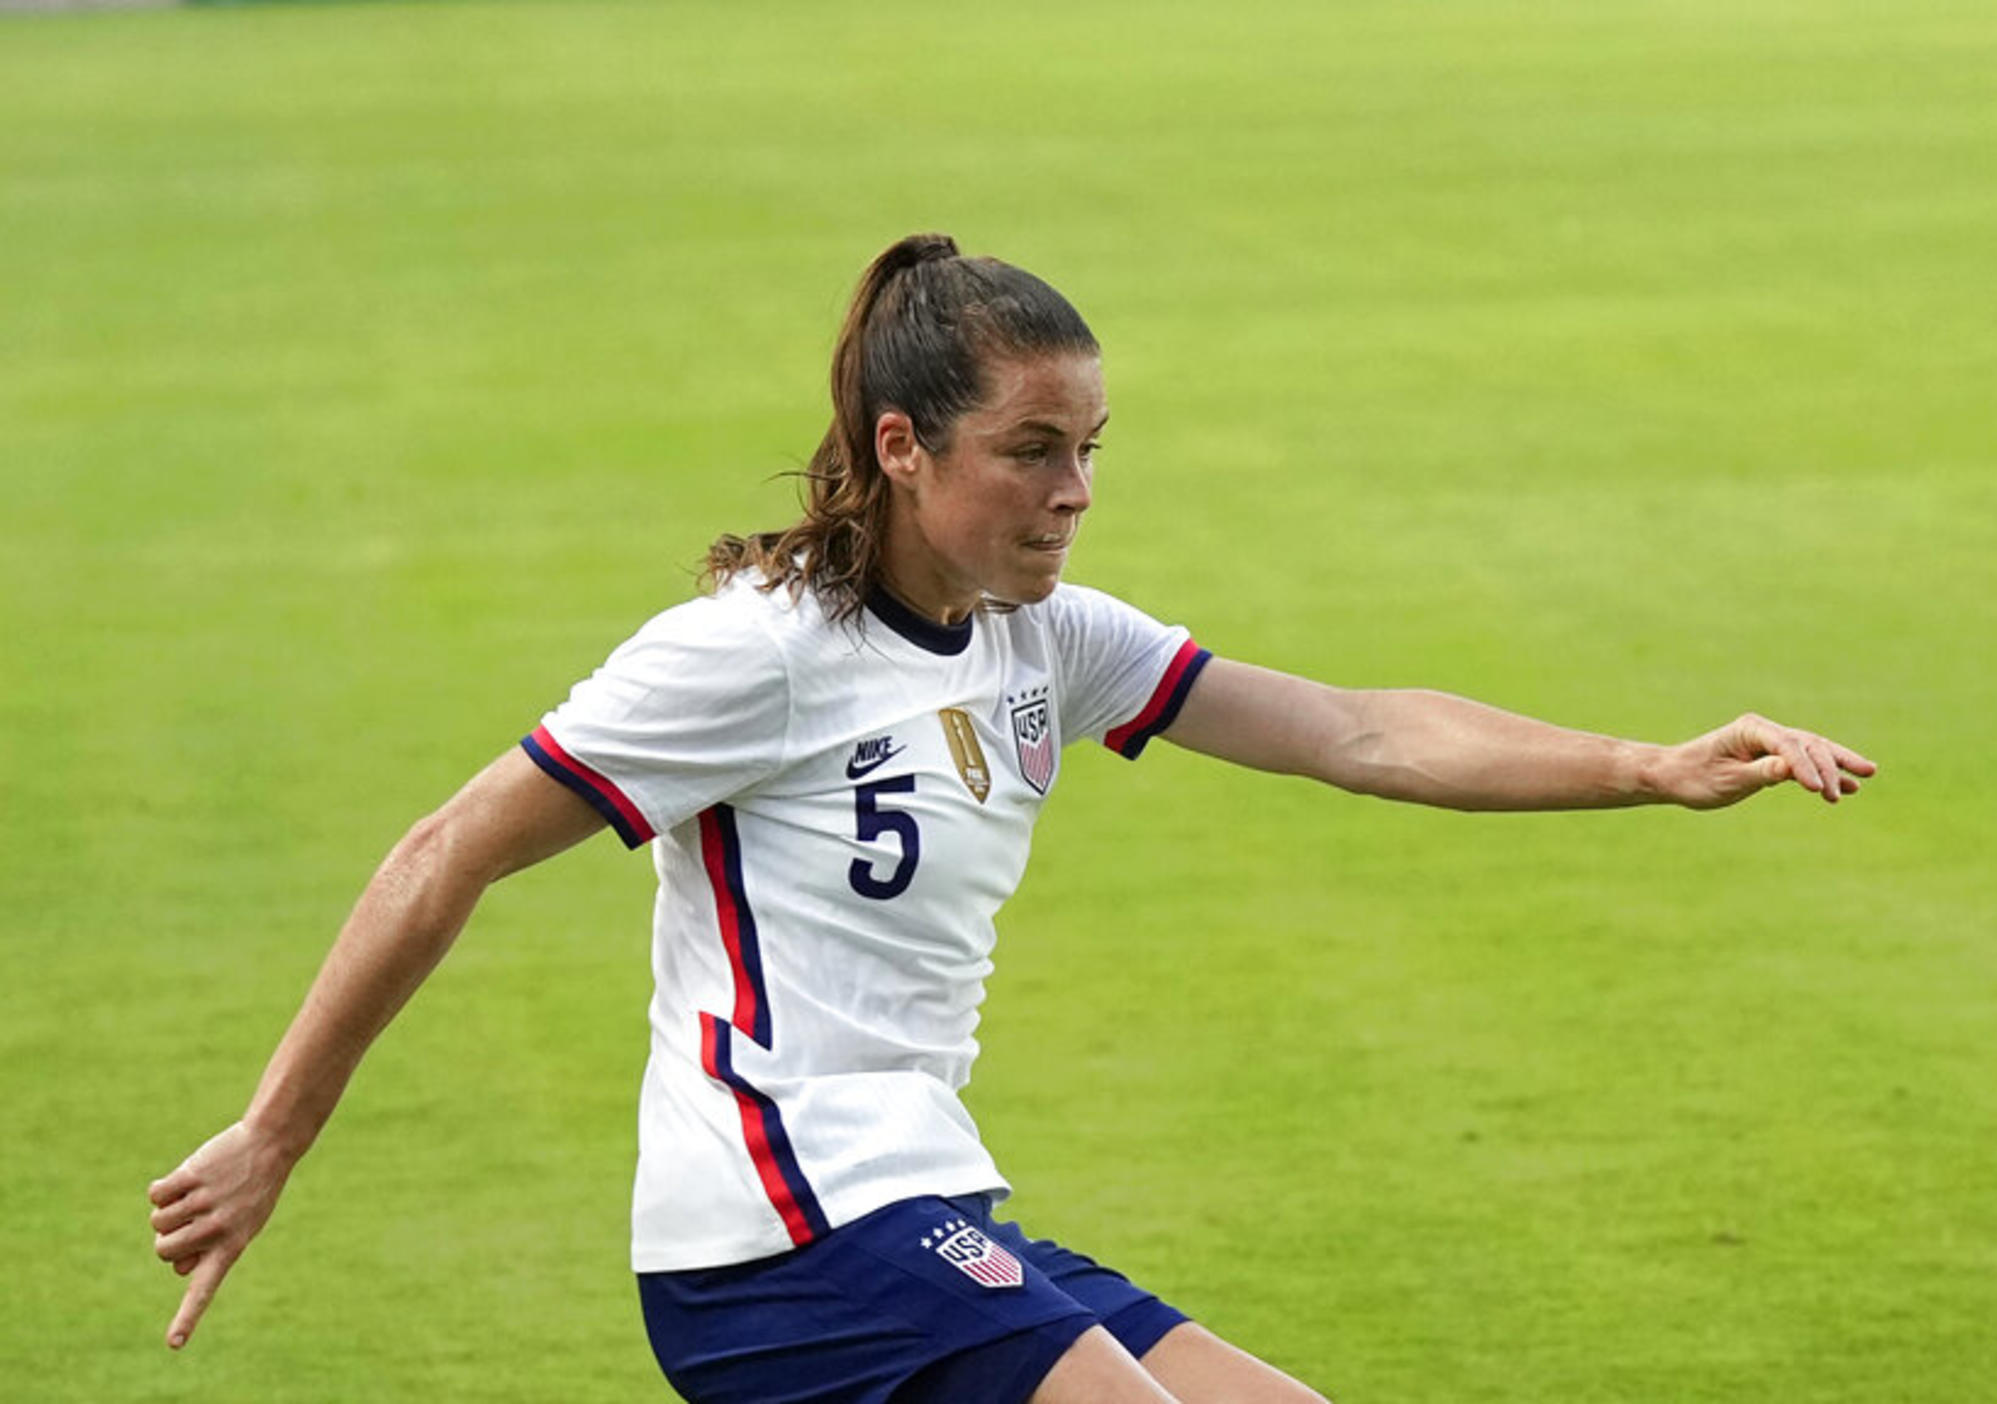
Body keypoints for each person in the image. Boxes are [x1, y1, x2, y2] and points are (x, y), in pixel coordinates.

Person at [148, 232, 1876, 1403]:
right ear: (901, 447)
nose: (1073, 493)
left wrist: (1646, 765)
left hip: (923, 1196)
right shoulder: (747, 659)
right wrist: (275, 1133)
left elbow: (1357, 732)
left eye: (1092, 447)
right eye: (1031, 449)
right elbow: (442, 851)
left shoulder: (1057, 641)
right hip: (778, 1233)